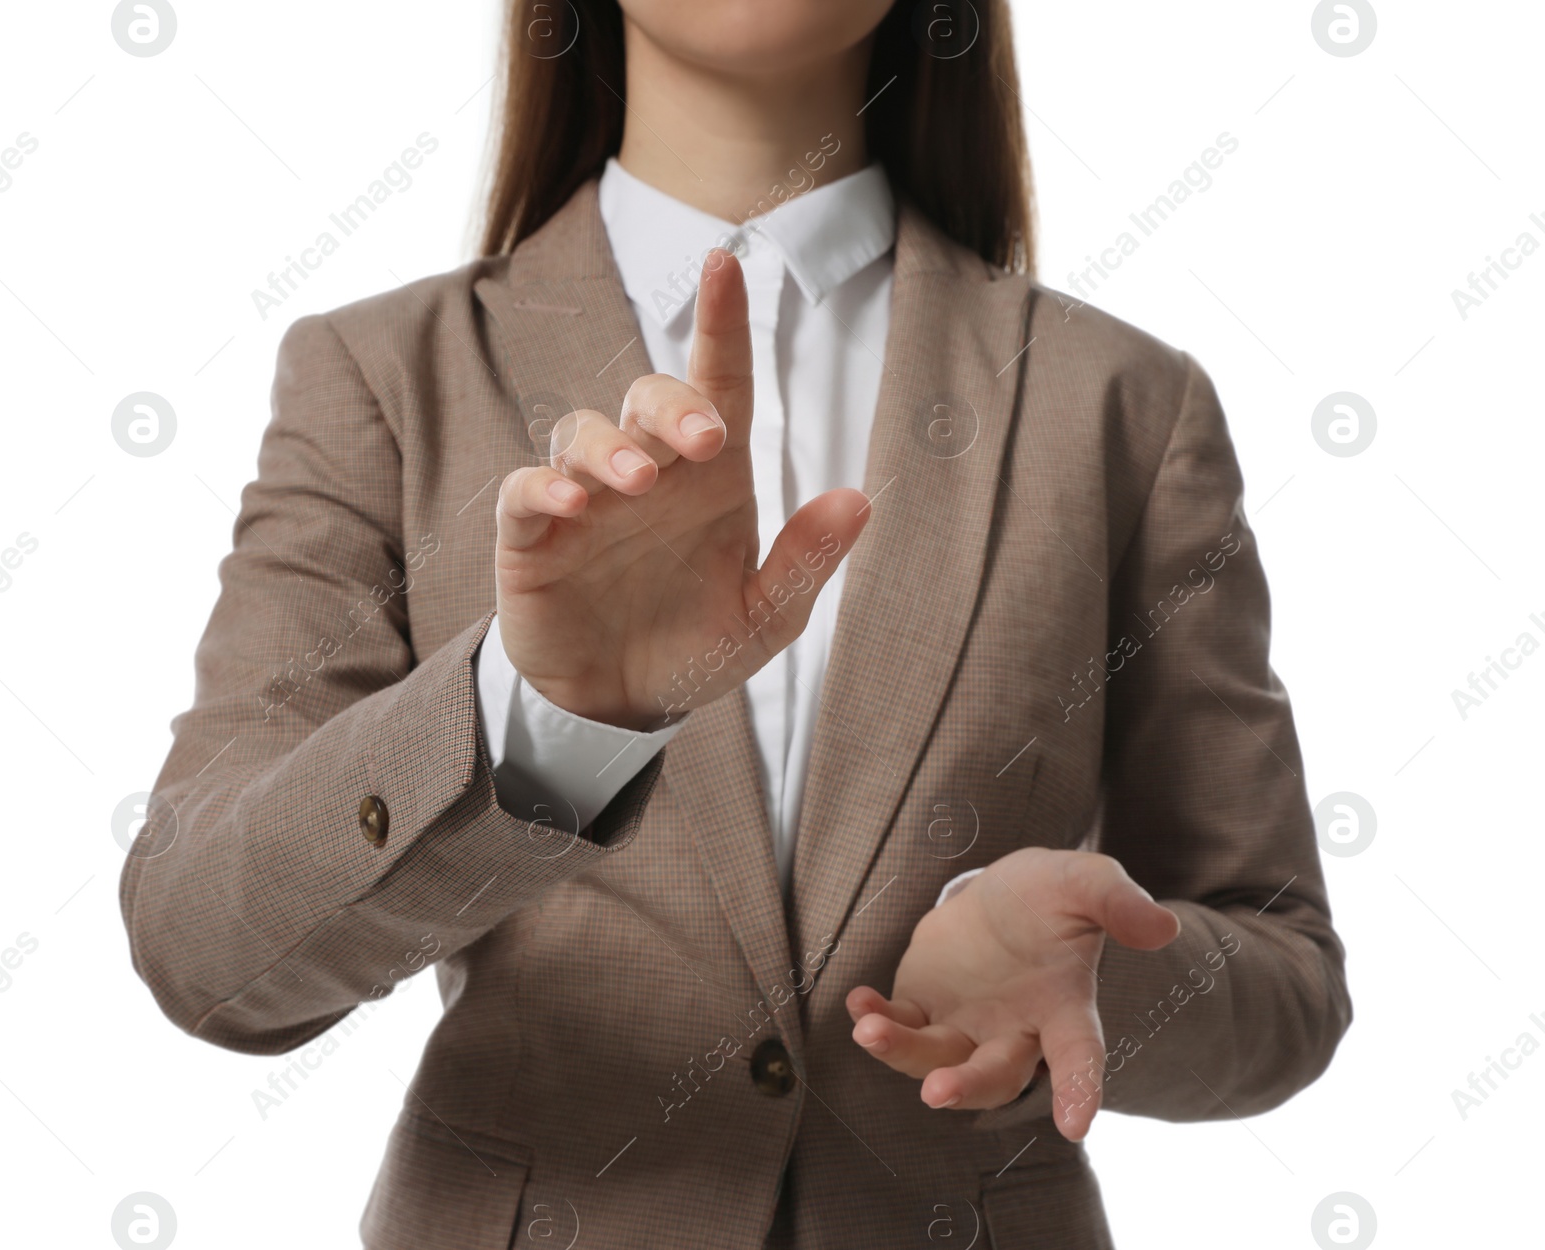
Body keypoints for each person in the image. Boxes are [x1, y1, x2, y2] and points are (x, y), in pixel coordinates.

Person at [120, 1, 1352, 1245]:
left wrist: (1092, 968)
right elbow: (204, 949)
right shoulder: (381, 372)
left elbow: (1286, 971)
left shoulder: (1124, 401)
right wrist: (539, 713)